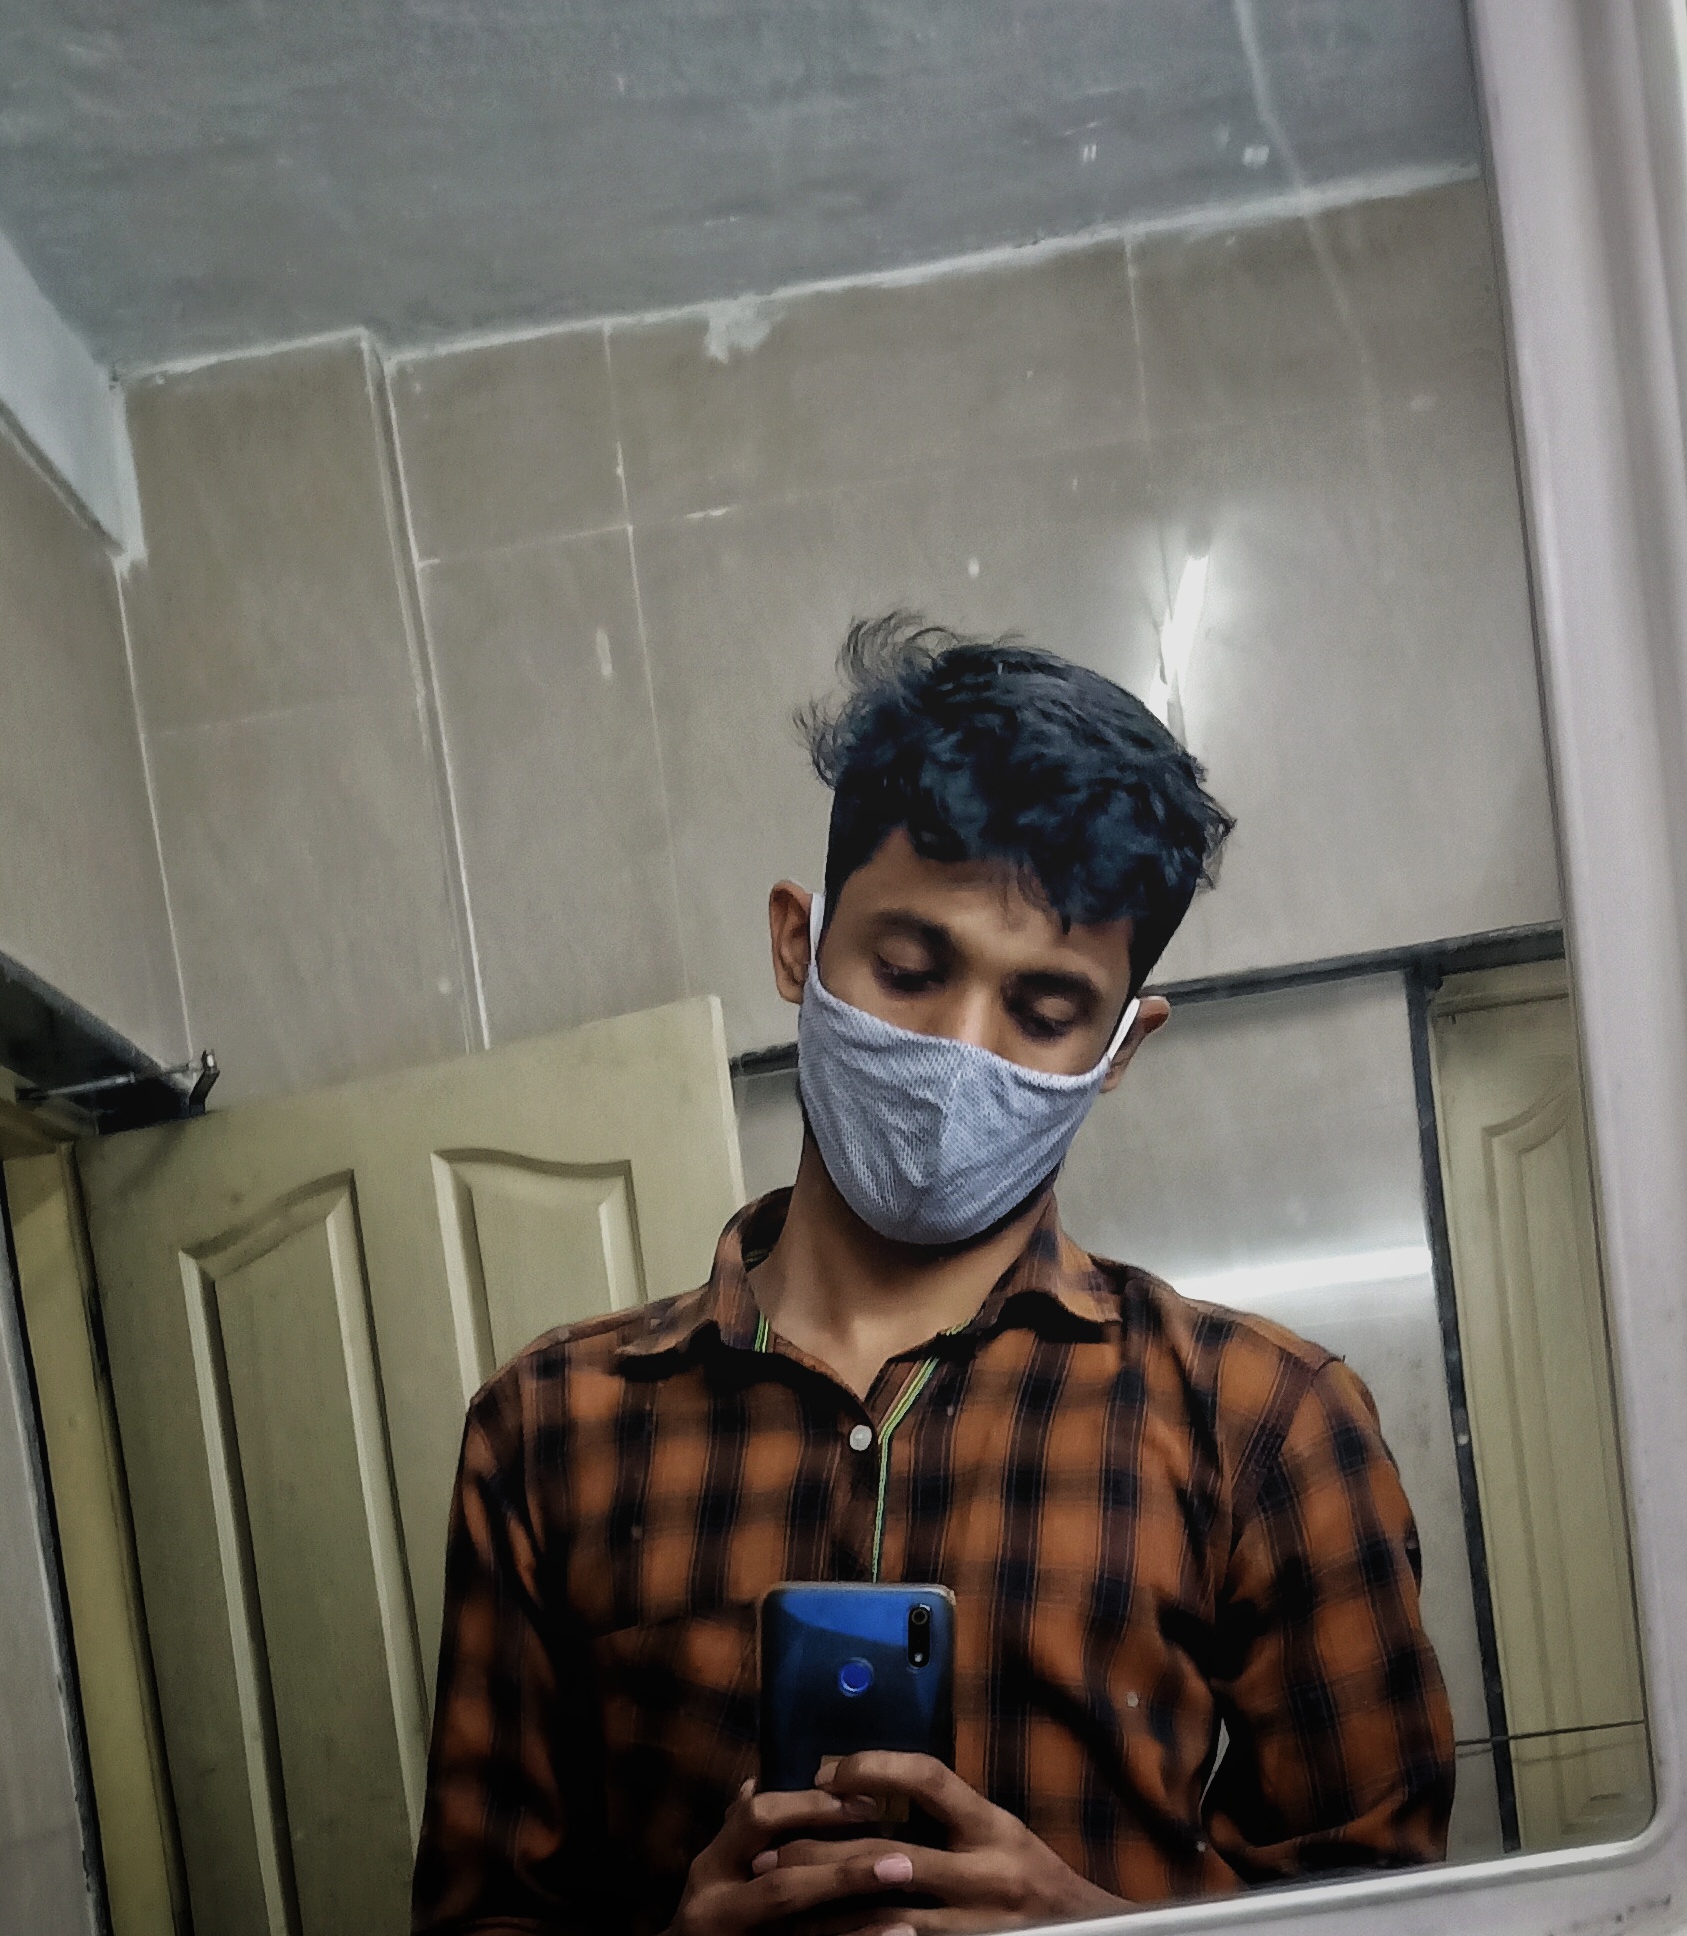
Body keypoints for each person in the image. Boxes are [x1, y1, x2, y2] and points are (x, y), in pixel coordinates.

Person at [411, 616, 1455, 1936]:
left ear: (1120, 1049)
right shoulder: (549, 1429)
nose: (961, 1050)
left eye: (1045, 1012)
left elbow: (1394, 1917)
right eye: (908, 970)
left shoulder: (1269, 1427)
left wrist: (1087, 1929)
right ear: (797, 945)